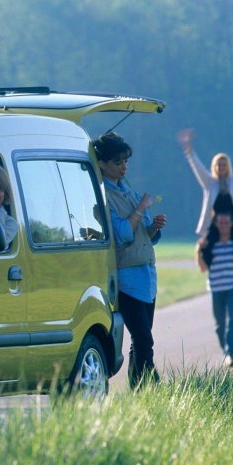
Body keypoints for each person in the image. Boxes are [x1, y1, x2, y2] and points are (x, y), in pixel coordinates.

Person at [94, 131, 166, 389]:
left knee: (141, 341)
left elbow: (144, 234)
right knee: (144, 340)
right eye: (118, 162)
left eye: (125, 161)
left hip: (146, 276)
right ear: (103, 164)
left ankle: (139, 388)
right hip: (127, 279)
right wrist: (140, 209)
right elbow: (122, 234)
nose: (123, 167)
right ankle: (151, 387)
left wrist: (154, 227)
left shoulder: (127, 190)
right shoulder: (104, 196)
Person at [176, 128, 233, 243]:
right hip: (215, 224)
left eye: (224, 165)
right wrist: (188, 147)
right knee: (205, 246)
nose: (221, 167)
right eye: (218, 165)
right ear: (214, 167)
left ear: (228, 166)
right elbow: (196, 165)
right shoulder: (209, 183)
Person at [196, 212, 233, 368]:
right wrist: (198, 251)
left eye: (226, 223)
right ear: (216, 224)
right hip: (216, 287)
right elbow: (202, 268)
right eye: (220, 223)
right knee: (219, 324)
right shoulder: (211, 245)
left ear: (231, 224)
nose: (223, 226)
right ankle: (226, 350)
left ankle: (230, 354)